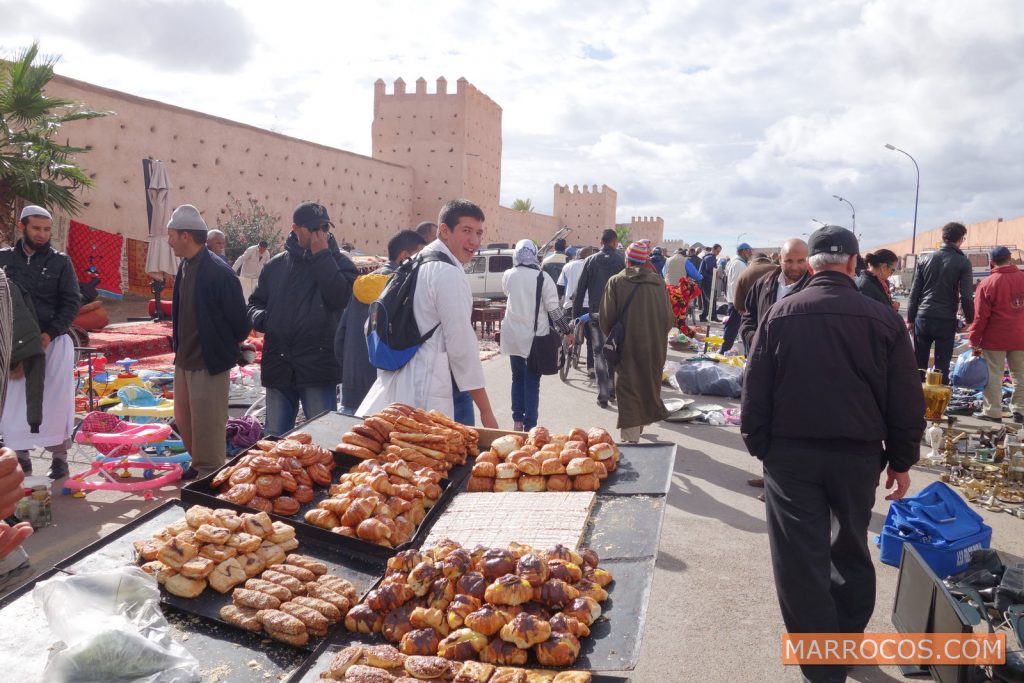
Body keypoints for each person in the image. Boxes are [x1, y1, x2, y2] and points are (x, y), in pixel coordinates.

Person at [741, 226, 924, 683]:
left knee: (800, 560)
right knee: (850, 548)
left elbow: (754, 391)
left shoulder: (781, 314)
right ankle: (844, 640)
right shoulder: (882, 319)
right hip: (857, 458)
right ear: (852, 263)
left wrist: (761, 448)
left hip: (791, 457)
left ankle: (823, 666)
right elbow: (906, 397)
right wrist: (901, 460)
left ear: (815, 263)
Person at [359, 200, 499, 428]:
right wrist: (486, 411)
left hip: (402, 381)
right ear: (444, 230)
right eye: (466, 231)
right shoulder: (447, 273)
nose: (474, 241)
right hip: (430, 388)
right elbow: (462, 346)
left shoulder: (417, 261)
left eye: (479, 233)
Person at [249, 201, 358, 436]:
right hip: (279, 364)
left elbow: (340, 299)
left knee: (323, 439)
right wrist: (265, 320)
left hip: (318, 367)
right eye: (314, 229)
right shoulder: (276, 265)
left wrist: (322, 257)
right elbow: (255, 303)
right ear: (296, 229)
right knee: (275, 439)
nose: (321, 234)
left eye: (325, 228)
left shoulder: (341, 263)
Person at [167, 205, 251, 478]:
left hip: (209, 361)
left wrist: (220, 344)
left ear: (186, 236)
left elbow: (241, 324)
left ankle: (211, 477)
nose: (168, 241)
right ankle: (197, 467)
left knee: (208, 425)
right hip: (184, 359)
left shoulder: (219, 272)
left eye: (171, 235)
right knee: (186, 421)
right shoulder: (185, 266)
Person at [0, 205, 80, 479]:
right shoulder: (4, 260)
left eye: (47, 229)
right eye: (37, 228)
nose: (43, 234)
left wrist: (50, 333)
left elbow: (71, 302)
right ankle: (20, 457)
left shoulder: (61, 262)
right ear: (22, 227)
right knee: (14, 403)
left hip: (52, 343)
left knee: (55, 402)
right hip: (15, 347)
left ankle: (59, 458)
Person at [334, 229, 426, 416]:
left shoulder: (361, 285)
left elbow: (340, 338)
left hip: (352, 387)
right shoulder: (404, 289)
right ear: (404, 257)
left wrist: (350, 372)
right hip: (387, 390)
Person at [599, 242, 674, 442]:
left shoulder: (616, 282)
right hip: (654, 346)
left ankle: (631, 441)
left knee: (628, 389)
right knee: (647, 384)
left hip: (627, 347)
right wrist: (654, 335)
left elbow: (606, 319)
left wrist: (619, 336)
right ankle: (640, 425)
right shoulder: (659, 282)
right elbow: (669, 319)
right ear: (646, 261)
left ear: (627, 260)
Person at [501, 240, 571, 431]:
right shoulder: (543, 277)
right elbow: (554, 310)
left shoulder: (508, 275)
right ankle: (530, 425)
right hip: (534, 337)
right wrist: (567, 330)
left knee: (517, 377)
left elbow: (507, 293)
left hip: (512, 334)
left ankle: (517, 420)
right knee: (532, 379)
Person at [907, 221, 974, 384]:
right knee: (941, 366)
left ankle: (916, 401)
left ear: (943, 238)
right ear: (960, 239)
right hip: (945, 319)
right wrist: (970, 319)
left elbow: (914, 292)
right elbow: (966, 296)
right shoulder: (962, 262)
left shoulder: (925, 258)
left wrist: (910, 318)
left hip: (923, 317)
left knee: (919, 363)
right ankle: (937, 405)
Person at [968, 246, 1024, 424]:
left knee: (994, 374)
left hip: (995, 337)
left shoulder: (987, 283)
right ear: (1010, 258)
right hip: (1020, 335)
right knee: (1020, 374)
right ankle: (1020, 410)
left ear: (992, 262)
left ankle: (993, 412)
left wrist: (974, 340)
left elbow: (980, 316)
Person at [572, 229, 626, 407]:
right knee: (613, 351)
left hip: (596, 314)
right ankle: (611, 390)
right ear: (614, 242)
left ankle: (603, 394)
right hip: (617, 316)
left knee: (598, 354)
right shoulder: (621, 260)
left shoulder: (590, 261)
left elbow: (580, 291)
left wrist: (576, 316)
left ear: (601, 241)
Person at [739, 238, 810, 352]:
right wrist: (752, 338)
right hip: (762, 360)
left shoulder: (814, 289)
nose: (794, 267)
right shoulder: (763, 284)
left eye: (801, 261)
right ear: (780, 259)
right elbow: (748, 316)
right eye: (789, 261)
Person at [720, 243, 752, 353]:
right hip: (736, 302)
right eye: (748, 250)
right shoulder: (739, 264)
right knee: (731, 328)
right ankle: (724, 351)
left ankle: (725, 350)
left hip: (735, 301)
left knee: (733, 328)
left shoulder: (739, 263)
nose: (750, 253)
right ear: (742, 251)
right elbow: (735, 285)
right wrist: (738, 303)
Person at [698, 244, 722, 322]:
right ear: (713, 249)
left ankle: (712, 316)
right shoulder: (710, 257)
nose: (718, 253)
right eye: (717, 251)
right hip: (706, 281)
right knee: (708, 299)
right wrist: (716, 272)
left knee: (711, 299)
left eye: (719, 251)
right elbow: (710, 269)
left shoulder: (710, 257)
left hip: (707, 281)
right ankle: (704, 316)